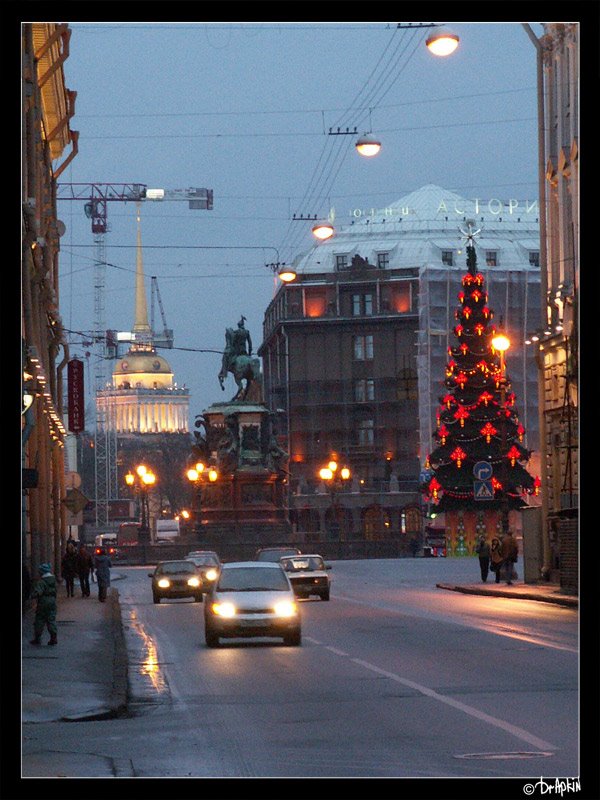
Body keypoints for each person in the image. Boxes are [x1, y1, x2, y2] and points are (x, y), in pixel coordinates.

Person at [30, 562, 58, 646]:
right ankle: (53, 637)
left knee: (40, 619)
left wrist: (32, 595)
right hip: (52, 601)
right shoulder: (53, 580)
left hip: (43, 602)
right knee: (51, 619)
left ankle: (37, 638)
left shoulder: (41, 582)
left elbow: (38, 592)